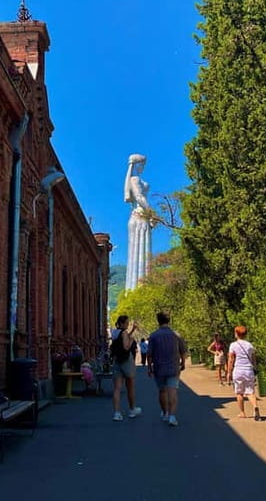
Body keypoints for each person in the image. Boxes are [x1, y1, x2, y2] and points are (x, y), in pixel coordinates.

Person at [147, 312, 187, 427]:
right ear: (168, 321)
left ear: (158, 321)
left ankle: (165, 413)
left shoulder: (153, 336)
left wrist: (149, 368)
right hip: (173, 367)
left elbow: (149, 354)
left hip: (159, 368)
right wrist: (183, 363)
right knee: (173, 391)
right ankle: (172, 416)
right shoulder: (176, 335)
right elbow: (183, 351)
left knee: (162, 391)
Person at [124, 154, 154, 291]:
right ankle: (139, 291)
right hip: (140, 217)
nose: (143, 167)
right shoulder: (135, 179)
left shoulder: (135, 179)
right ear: (137, 164)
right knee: (139, 254)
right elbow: (139, 196)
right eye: (142, 164)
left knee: (142, 253)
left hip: (140, 217)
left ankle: (142, 290)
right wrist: (151, 213)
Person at [111, 315, 142, 421]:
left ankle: (116, 413)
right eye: (127, 323)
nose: (128, 324)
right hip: (126, 361)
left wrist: (132, 331)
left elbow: (122, 339)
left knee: (117, 388)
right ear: (123, 323)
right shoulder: (123, 333)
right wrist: (132, 340)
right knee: (130, 386)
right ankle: (132, 409)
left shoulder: (115, 333)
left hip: (117, 361)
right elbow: (126, 347)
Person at [227, 325, 261, 421]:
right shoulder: (250, 345)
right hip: (248, 370)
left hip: (238, 370)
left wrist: (229, 372)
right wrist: (254, 368)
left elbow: (231, 359)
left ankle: (242, 412)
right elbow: (254, 359)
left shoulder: (233, 345)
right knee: (250, 391)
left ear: (237, 334)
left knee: (239, 392)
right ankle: (255, 407)